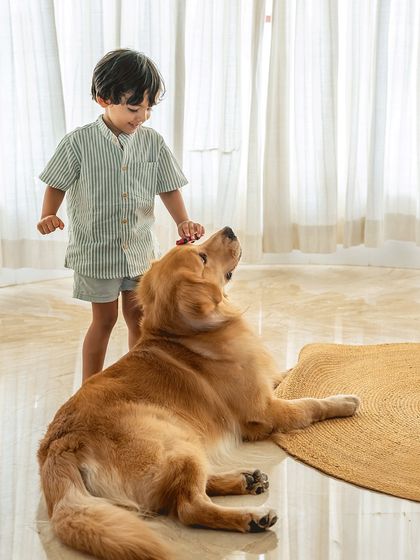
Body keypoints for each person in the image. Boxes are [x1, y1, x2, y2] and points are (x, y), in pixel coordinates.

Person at [37, 49, 204, 383]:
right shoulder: (78, 143)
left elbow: (168, 187)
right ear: (103, 99)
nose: (141, 115)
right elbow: (56, 183)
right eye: (133, 107)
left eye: (148, 108)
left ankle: (137, 382)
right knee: (103, 322)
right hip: (97, 253)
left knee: (139, 320)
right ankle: (89, 388)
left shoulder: (152, 143)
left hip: (140, 252)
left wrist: (183, 220)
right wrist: (48, 214)